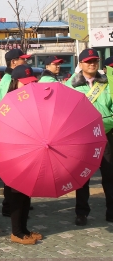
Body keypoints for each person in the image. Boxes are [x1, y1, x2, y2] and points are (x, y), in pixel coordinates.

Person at [65, 49, 113, 226]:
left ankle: (111, 211)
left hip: (106, 135)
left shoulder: (108, 83)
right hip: (83, 139)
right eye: (88, 61)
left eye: (95, 61)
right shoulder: (71, 85)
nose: (92, 64)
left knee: (109, 175)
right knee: (82, 177)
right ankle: (81, 212)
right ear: (81, 64)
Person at [5, 64, 41, 245]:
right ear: (15, 83)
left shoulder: (34, 101)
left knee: (27, 192)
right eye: (24, 84)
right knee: (16, 193)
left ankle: (24, 229)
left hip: (30, 153)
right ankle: (16, 232)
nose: (28, 87)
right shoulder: (9, 103)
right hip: (14, 155)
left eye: (31, 83)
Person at [0, 49, 31, 217]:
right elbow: (6, 110)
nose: (26, 62)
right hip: (12, 135)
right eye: (22, 59)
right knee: (12, 175)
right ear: (13, 62)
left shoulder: (13, 79)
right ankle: (9, 206)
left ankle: (16, 204)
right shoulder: (7, 82)